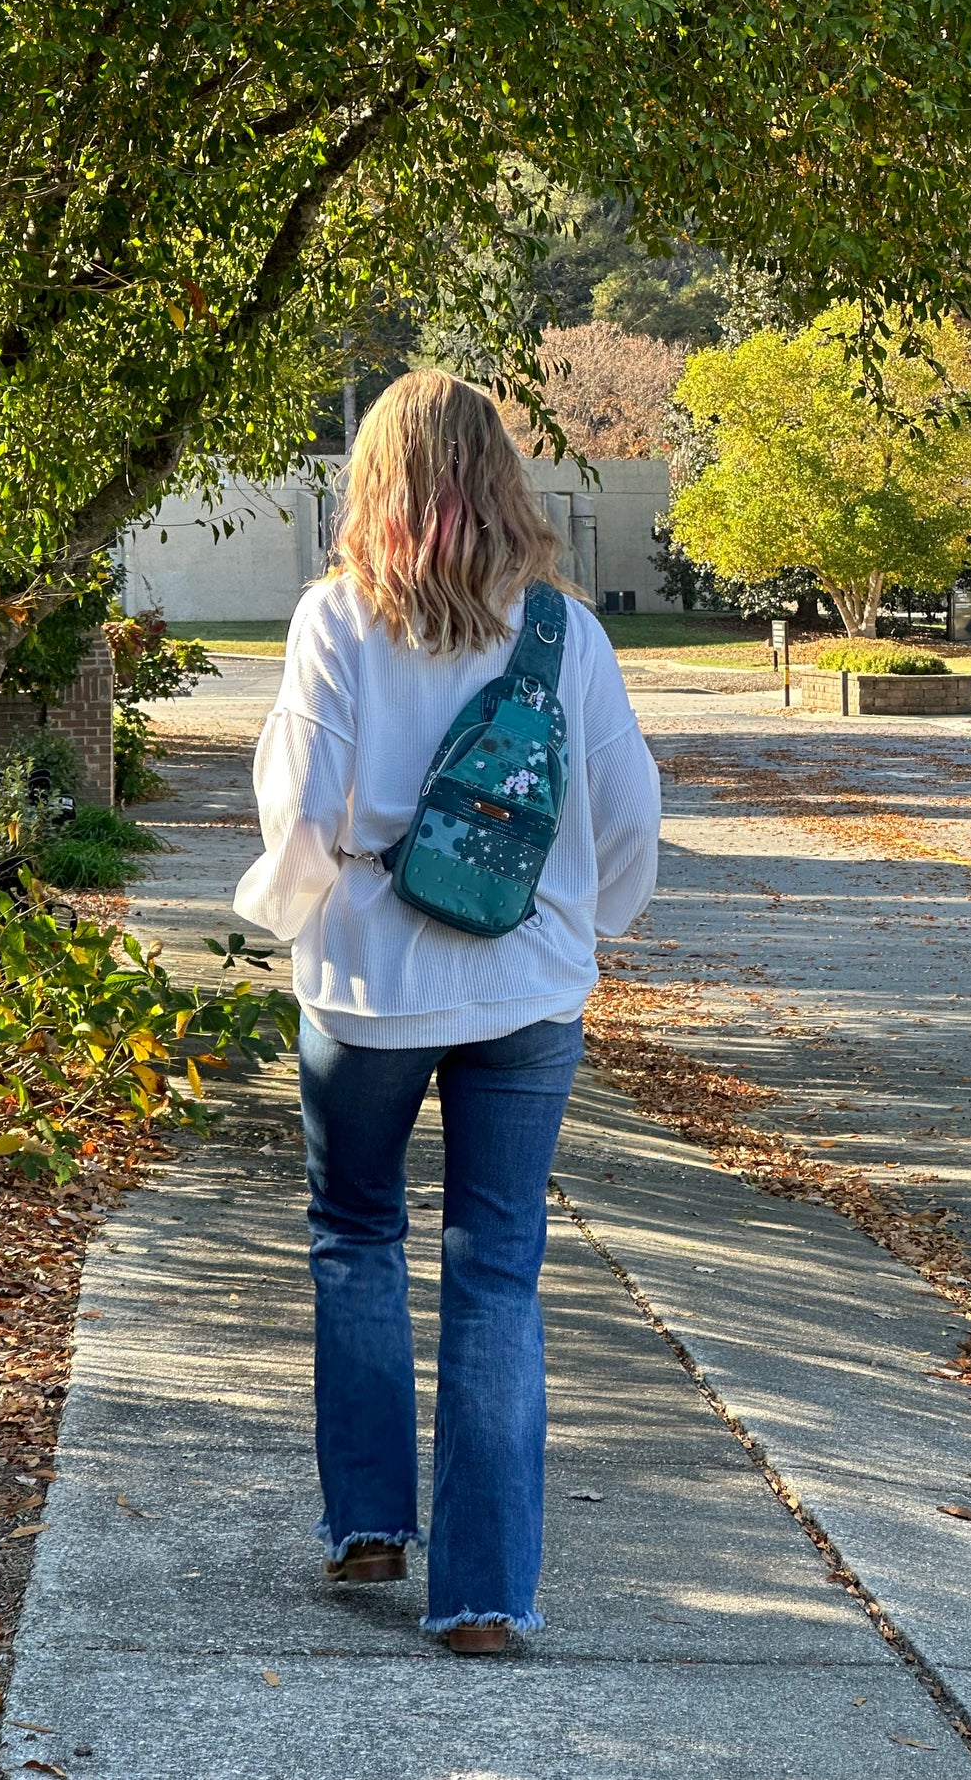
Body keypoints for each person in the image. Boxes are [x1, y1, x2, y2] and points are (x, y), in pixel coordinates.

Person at [233, 369, 661, 1654]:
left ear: (376, 482)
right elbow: (628, 816)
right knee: (498, 1268)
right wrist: (588, 926)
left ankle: (369, 1524)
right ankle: (479, 1598)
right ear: (499, 479)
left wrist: (292, 912)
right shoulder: (564, 634)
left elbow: (302, 814)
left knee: (354, 1230)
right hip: (525, 984)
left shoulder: (334, 620)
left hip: (369, 983)